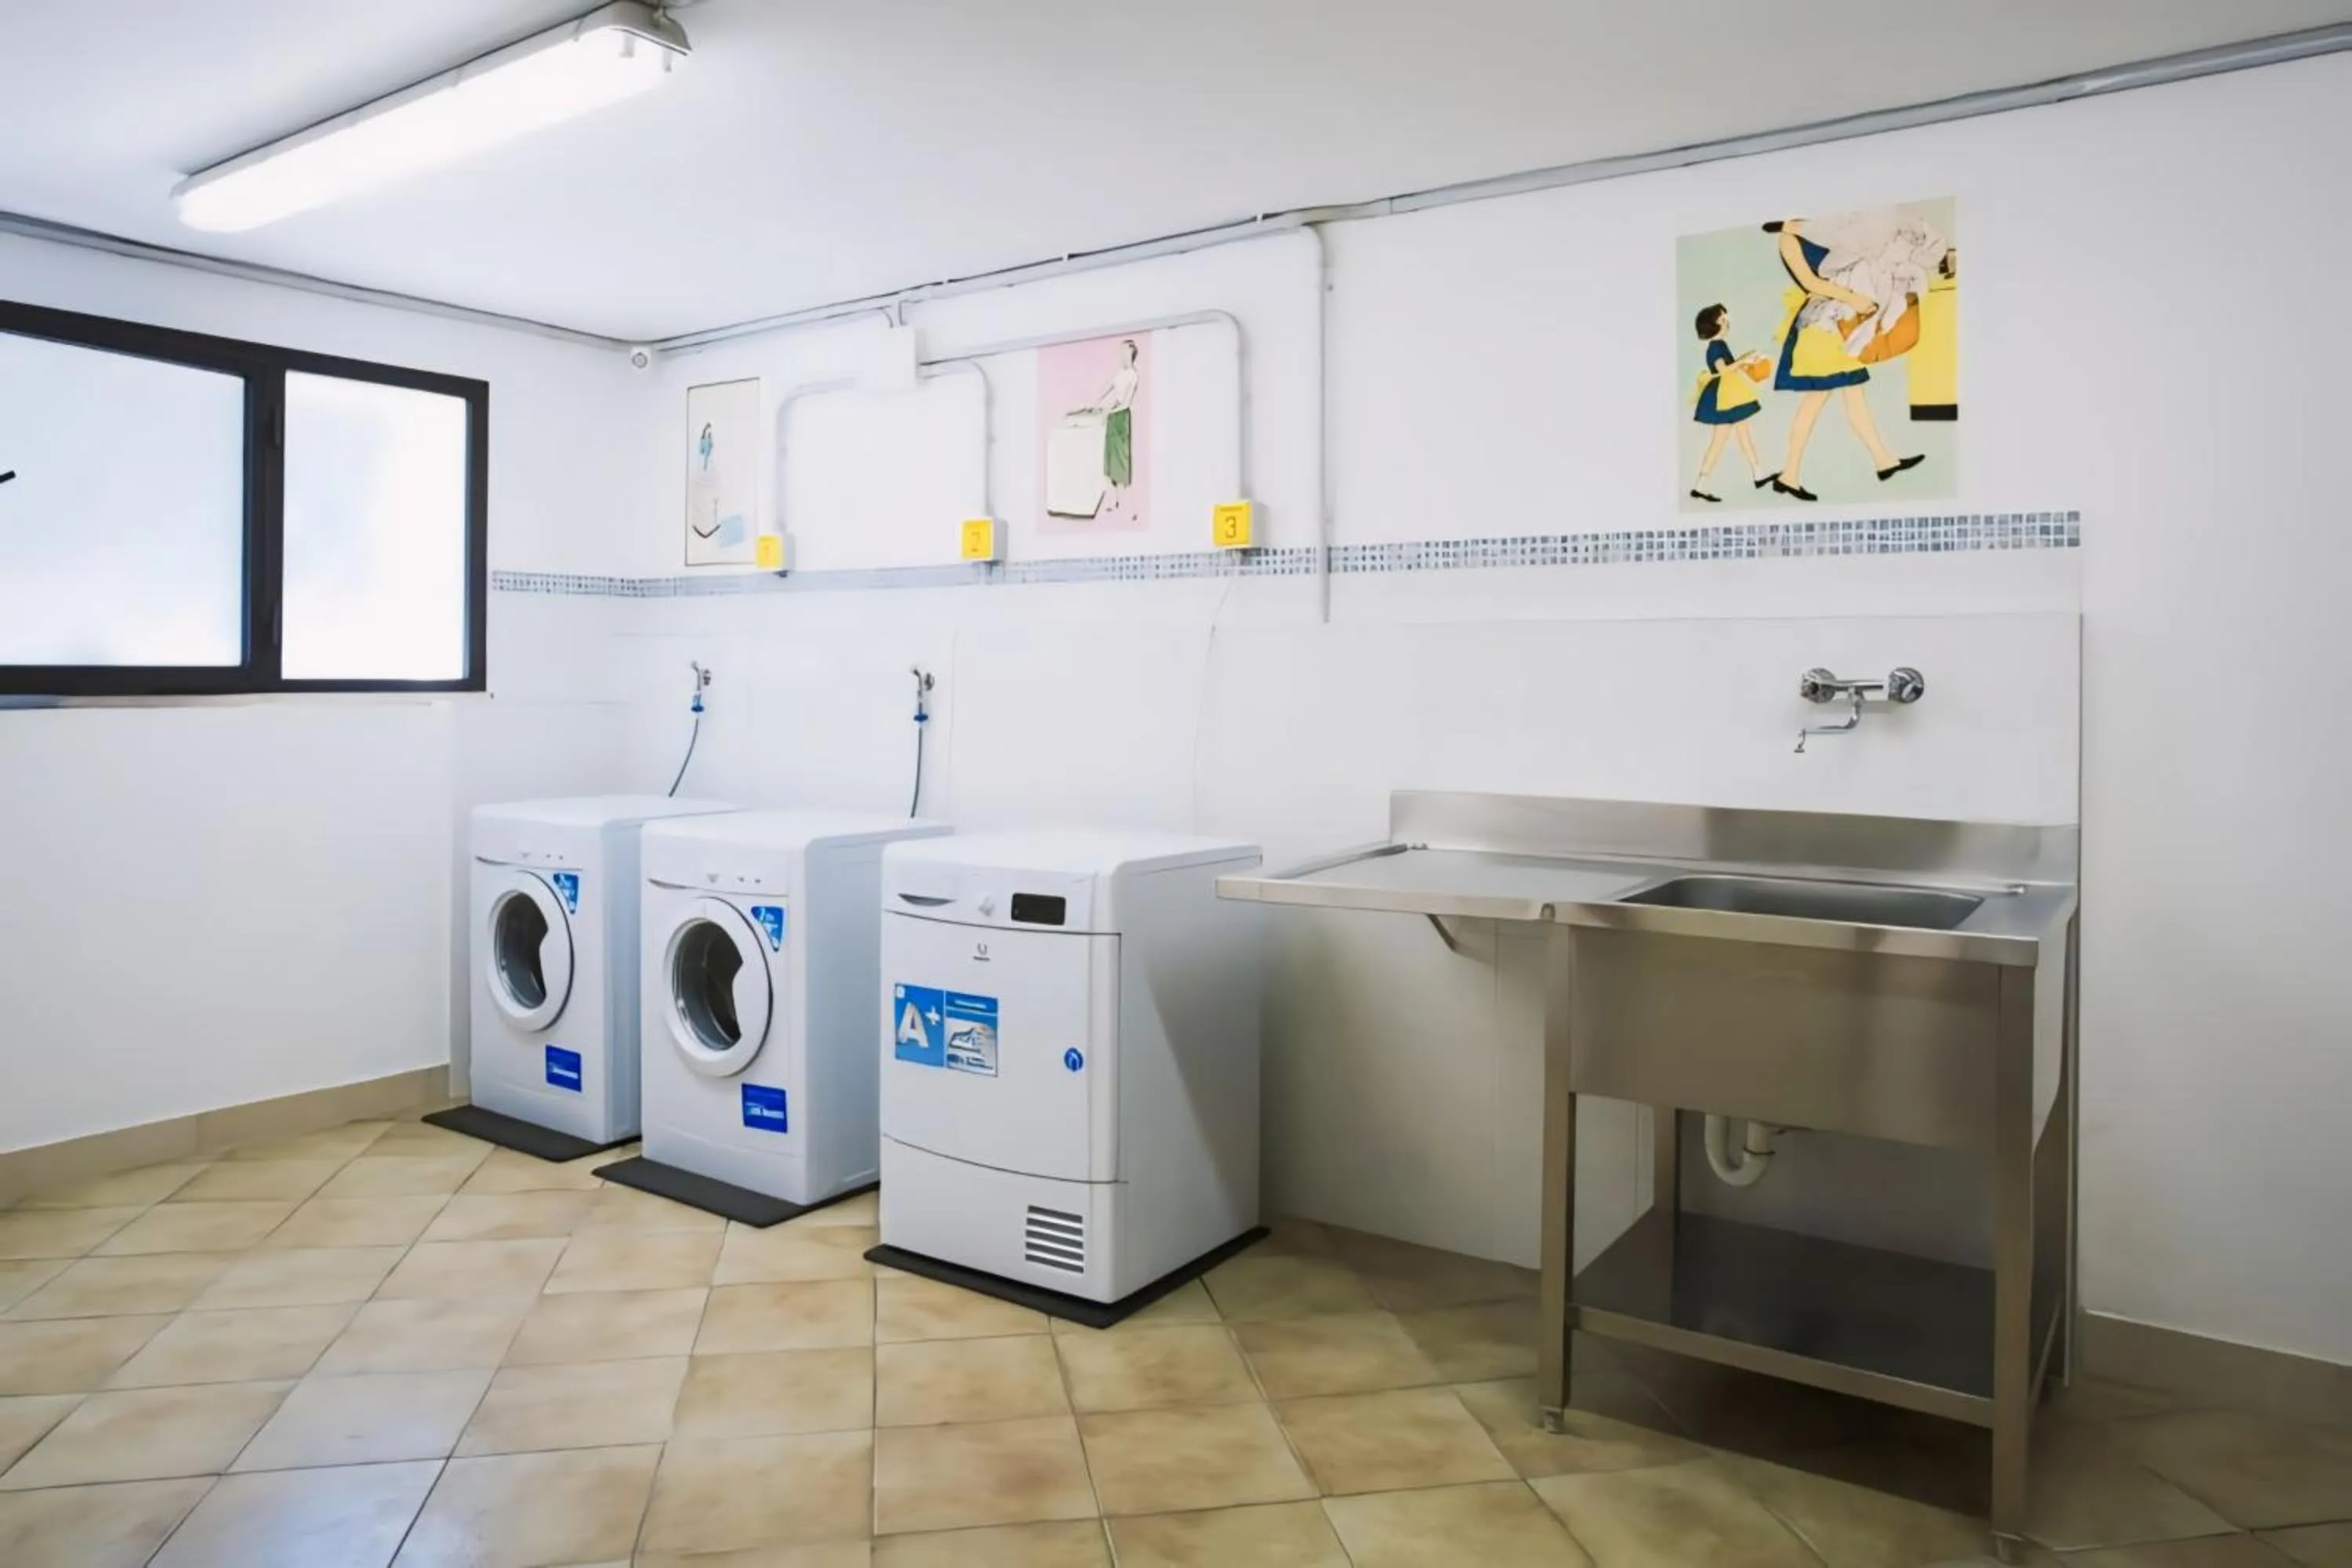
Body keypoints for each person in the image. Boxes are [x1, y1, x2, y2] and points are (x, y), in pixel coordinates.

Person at [1763, 219, 1924, 501]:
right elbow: (1810, 281)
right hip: (1822, 323)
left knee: (1852, 397)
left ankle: (1884, 461)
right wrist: (1854, 299)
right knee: (1816, 401)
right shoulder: (1788, 239)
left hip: (1843, 322)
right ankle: (1789, 475)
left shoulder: (1823, 228)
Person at [1689, 303, 1770, 503]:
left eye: (1727, 319)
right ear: (1712, 325)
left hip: (1730, 394)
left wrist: (1746, 359)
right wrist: (1743, 361)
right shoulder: (1715, 347)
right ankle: (1701, 485)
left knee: (1743, 434)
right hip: (1723, 396)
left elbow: (1729, 368)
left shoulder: (1720, 345)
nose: (1727, 324)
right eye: (1723, 320)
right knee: (1721, 440)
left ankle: (1758, 474)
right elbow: (1724, 370)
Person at [1069, 339, 1141, 517]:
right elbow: (1107, 388)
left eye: (1124, 352)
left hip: (1121, 419)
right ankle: (1113, 500)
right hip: (1112, 417)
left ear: (1131, 355)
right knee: (1110, 459)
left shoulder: (1133, 375)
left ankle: (1124, 504)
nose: (1121, 356)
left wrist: (1108, 410)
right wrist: (1094, 403)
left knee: (1121, 460)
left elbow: (1125, 403)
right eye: (1120, 352)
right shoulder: (1119, 373)